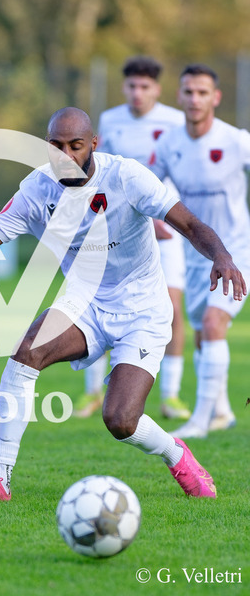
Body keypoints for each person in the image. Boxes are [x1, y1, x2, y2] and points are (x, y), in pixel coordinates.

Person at [0, 107, 246, 502]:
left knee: (120, 420)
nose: (66, 156)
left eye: (75, 146)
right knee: (26, 352)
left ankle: (176, 454)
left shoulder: (126, 176)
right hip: (84, 301)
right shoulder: (37, 189)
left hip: (142, 309)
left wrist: (222, 257)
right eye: (56, 146)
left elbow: (189, 224)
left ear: (93, 144)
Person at [74, 55, 189, 421]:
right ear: (124, 87)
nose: (137, 93)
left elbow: (178, 173)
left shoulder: (175, 121)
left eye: (145, 86)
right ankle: (93, 390)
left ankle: (171, 395)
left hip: (165, 226)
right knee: (101, 300)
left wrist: (164, 215)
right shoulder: (110, 120)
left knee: (173, 307)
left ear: (157, 89)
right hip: (119, 225)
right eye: (132, 86)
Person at [152, 64, 250, 439]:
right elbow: (149, 186)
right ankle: (222, 411)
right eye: (189, 92)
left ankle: (200, 421)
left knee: (212, 323)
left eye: (202, 92)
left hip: (236, 250)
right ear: (179, 96)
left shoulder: (236, 141)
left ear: (216, 98)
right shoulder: (168, 143)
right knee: (201, 332)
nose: (195, 99)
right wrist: (151, 219)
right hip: (195, 254)